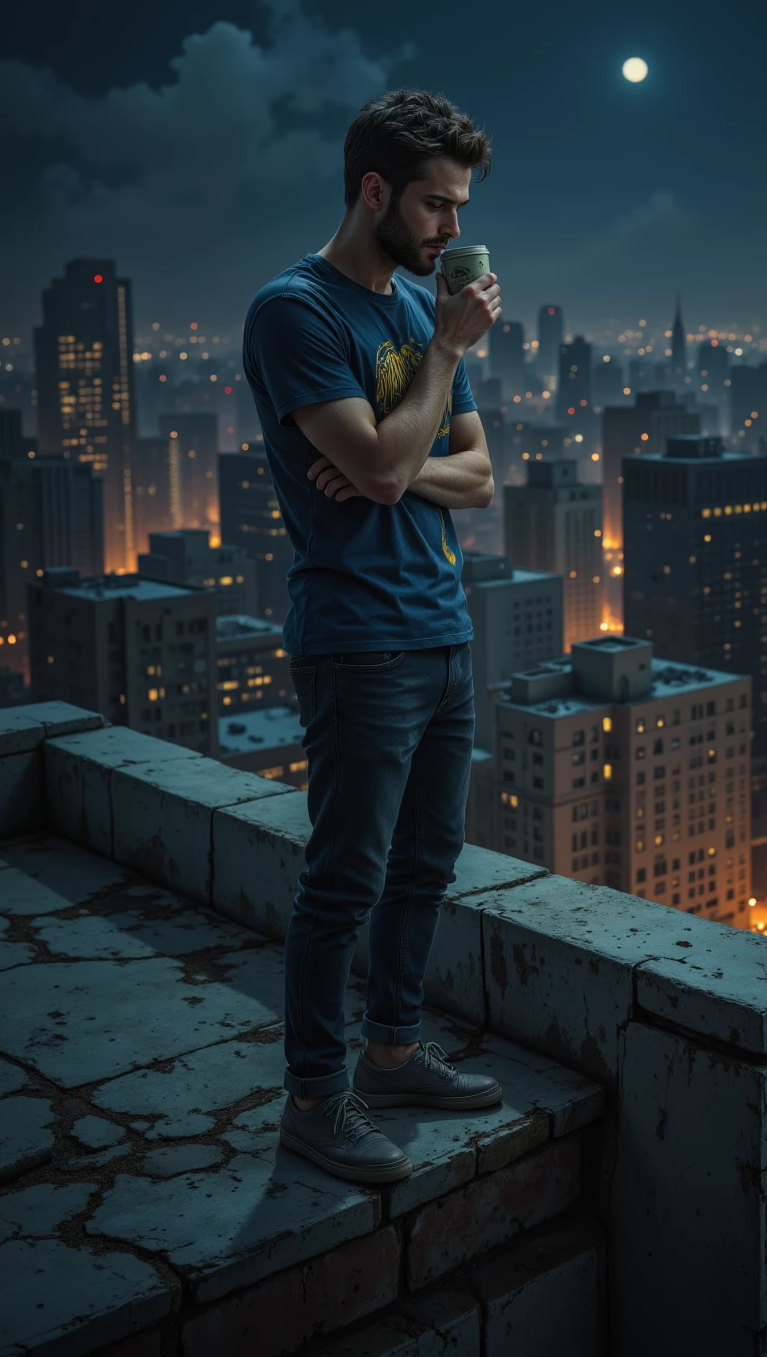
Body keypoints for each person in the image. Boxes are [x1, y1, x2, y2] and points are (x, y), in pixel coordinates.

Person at [243, 88, 504, 1184]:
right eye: (436, 206)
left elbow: (475, 479)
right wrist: (437, 367)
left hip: (442, 631)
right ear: (373, 191)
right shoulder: (297, 312)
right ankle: (316, 1098)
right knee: (344, 879)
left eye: (457, 209)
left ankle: (392, 1050)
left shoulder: (408, 313)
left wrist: (386, 470)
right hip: (357, 639)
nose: (451, 230)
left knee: (425, 865)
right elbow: (396, 468)